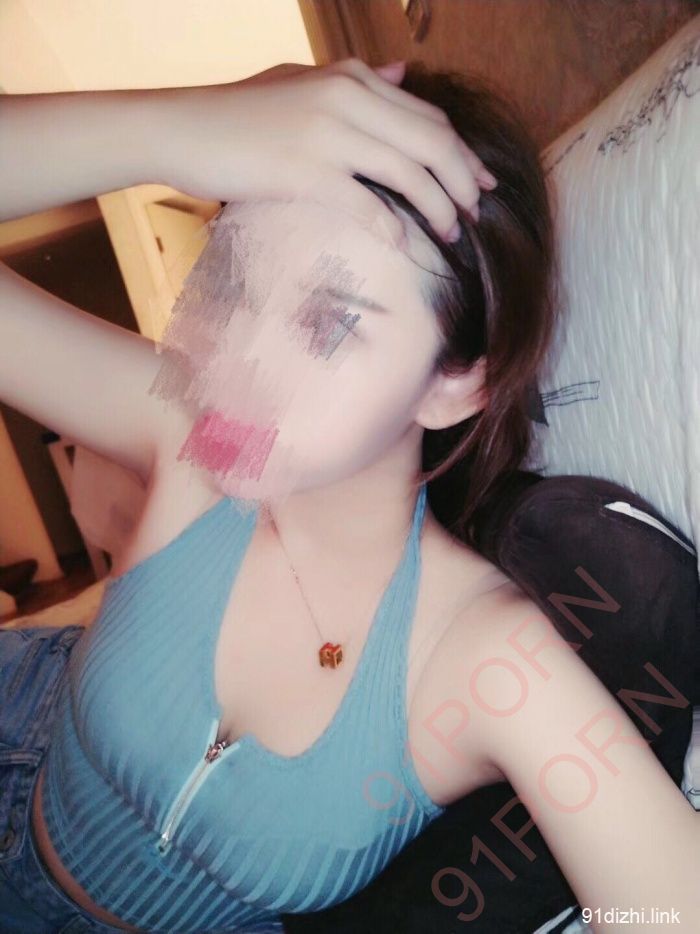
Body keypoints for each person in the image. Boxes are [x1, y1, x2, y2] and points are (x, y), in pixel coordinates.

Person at [0, 57, 697, 933]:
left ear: (452, 385)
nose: (237, 361)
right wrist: (175, 127)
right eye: (237, 282)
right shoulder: (187, 433)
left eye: (329, 321)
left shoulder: (485, 660)